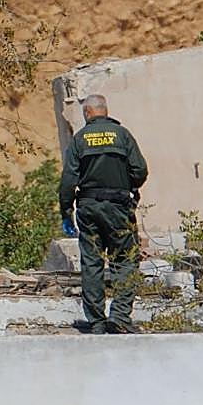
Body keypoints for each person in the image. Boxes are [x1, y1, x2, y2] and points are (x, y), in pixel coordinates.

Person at [58, 94, 148, 334]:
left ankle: (96, 321)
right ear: (105, 111)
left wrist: (66, 211)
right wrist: (125, 184)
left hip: (89, 208)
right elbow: (140, 171)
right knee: (124, 261)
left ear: (88, 112)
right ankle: (120, 317)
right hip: (119, 207)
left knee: (92, 262)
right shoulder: (123, 135)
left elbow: (68, 180)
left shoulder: (79, 139)